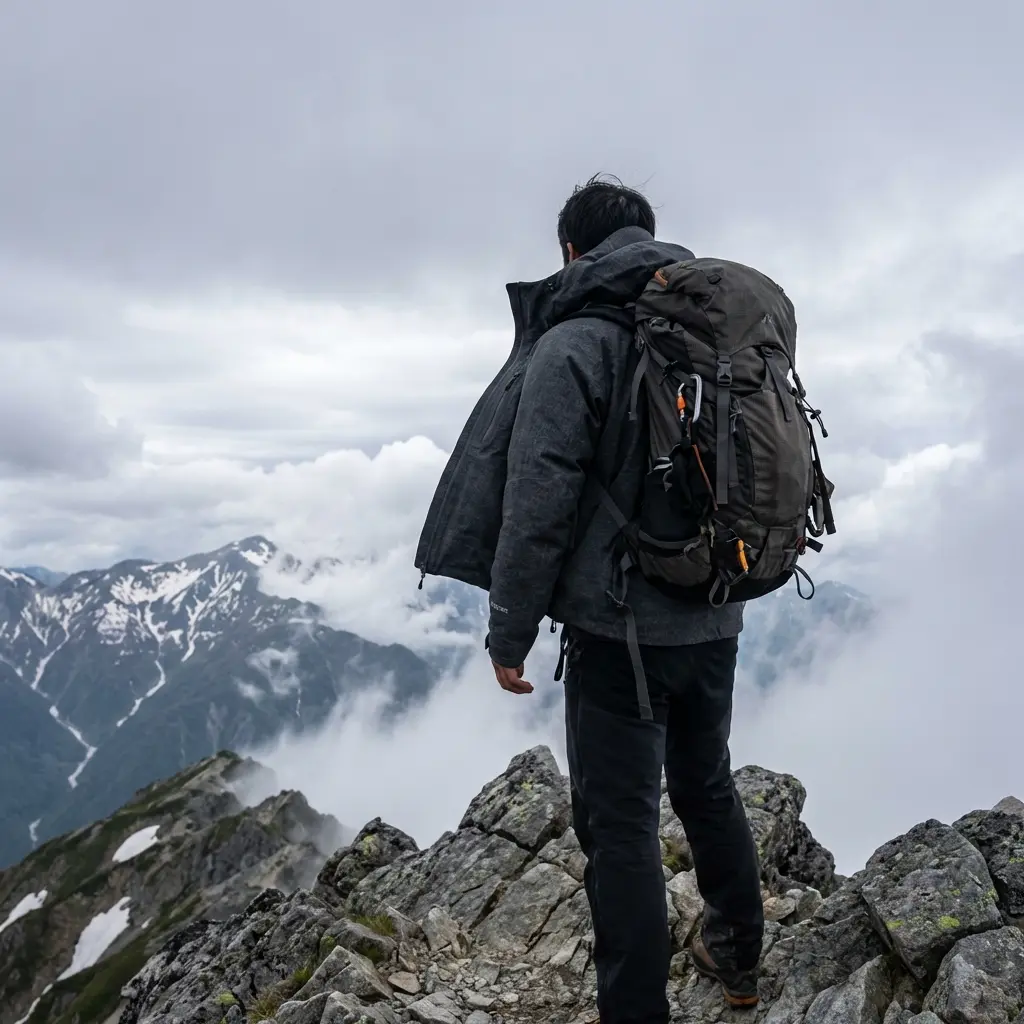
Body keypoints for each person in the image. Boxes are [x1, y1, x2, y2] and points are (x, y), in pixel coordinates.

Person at [416, 175, 764, 1022]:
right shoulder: (715, 332)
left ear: (571, 252)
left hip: (619, 631)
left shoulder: (575, 343)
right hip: (717, 607)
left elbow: (539, 500)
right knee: (707, 783)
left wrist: (509, 631)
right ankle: (739, 958)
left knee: (621, 827)